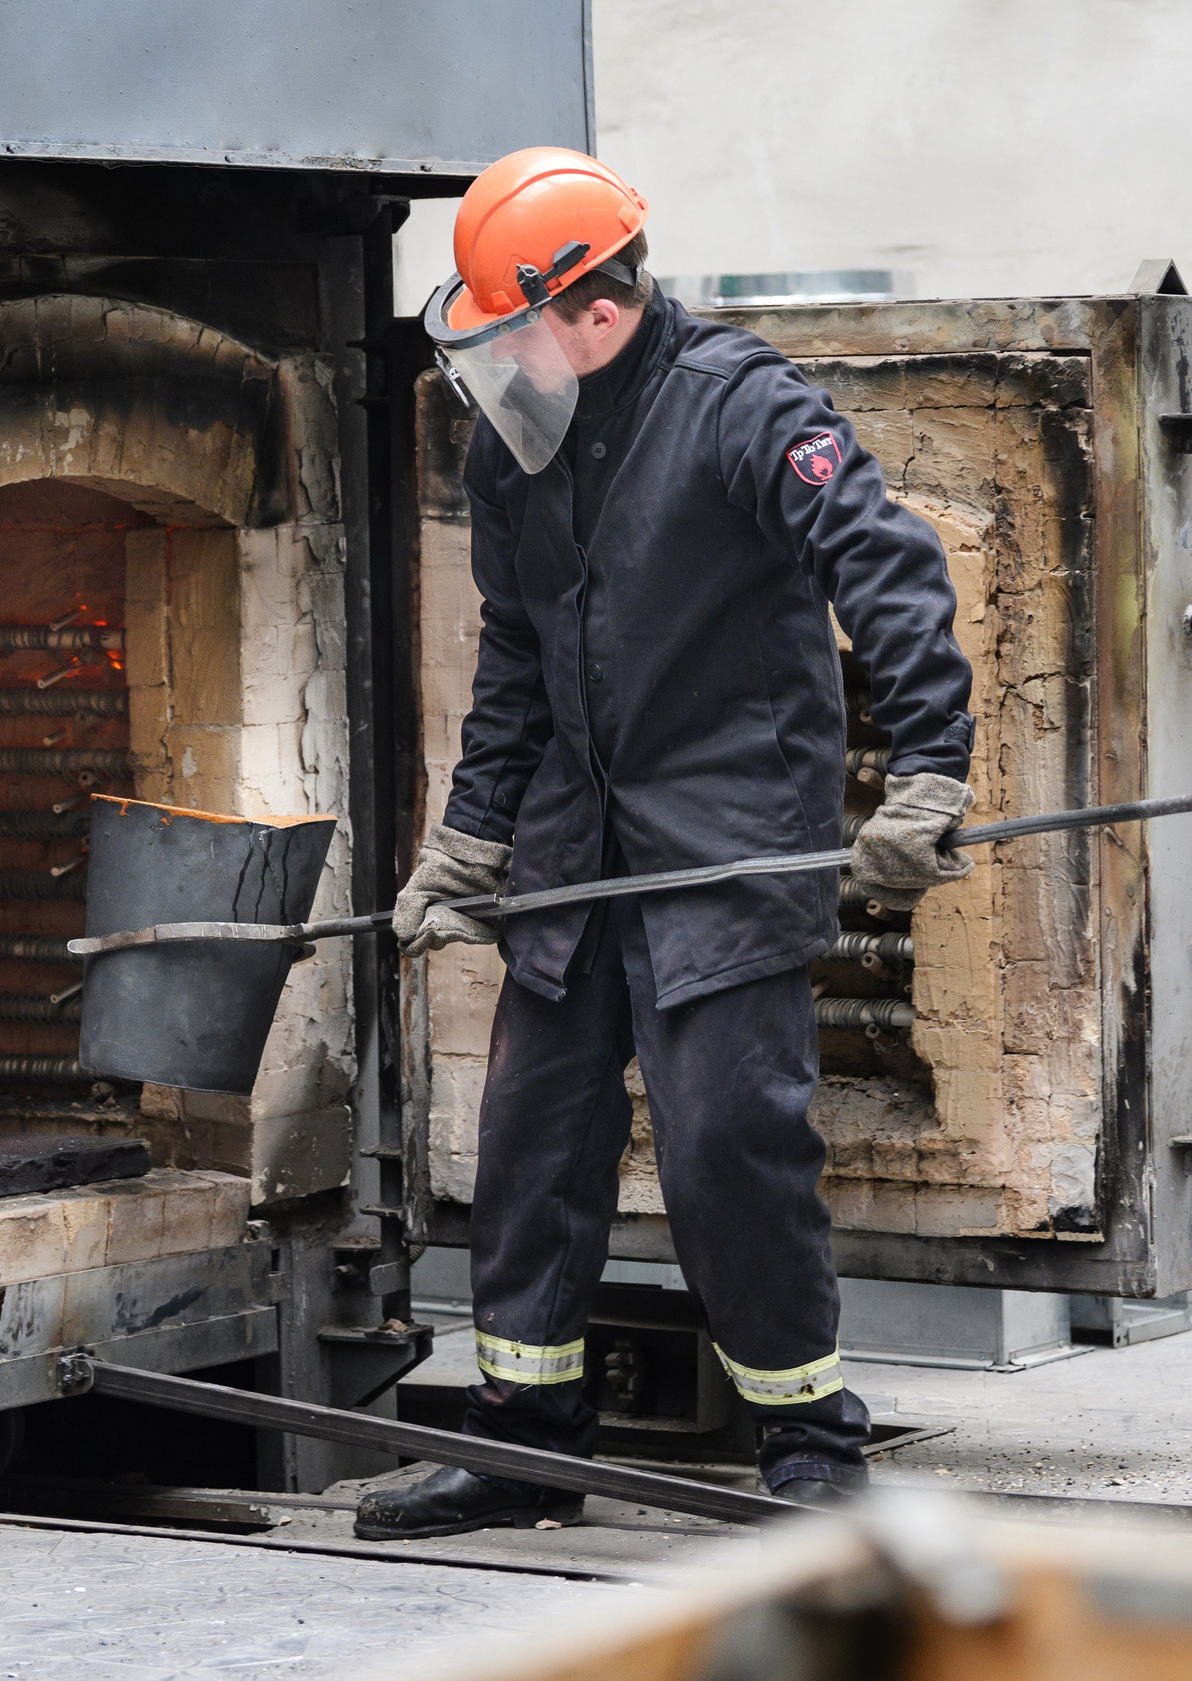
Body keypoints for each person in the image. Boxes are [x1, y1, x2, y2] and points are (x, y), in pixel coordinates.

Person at [357, 147, 975, 1540]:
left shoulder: (738, 409)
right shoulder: (520, 438)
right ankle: (522, 1443)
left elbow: (888, 565)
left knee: (725, 1152)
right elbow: (515, 651)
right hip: (580, 851)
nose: (499, 358)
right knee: (526, 1148)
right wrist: (471, 839)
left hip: (726, 844)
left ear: (592, 306)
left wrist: (929, 771)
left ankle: (811, 1450)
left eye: (513, 326)